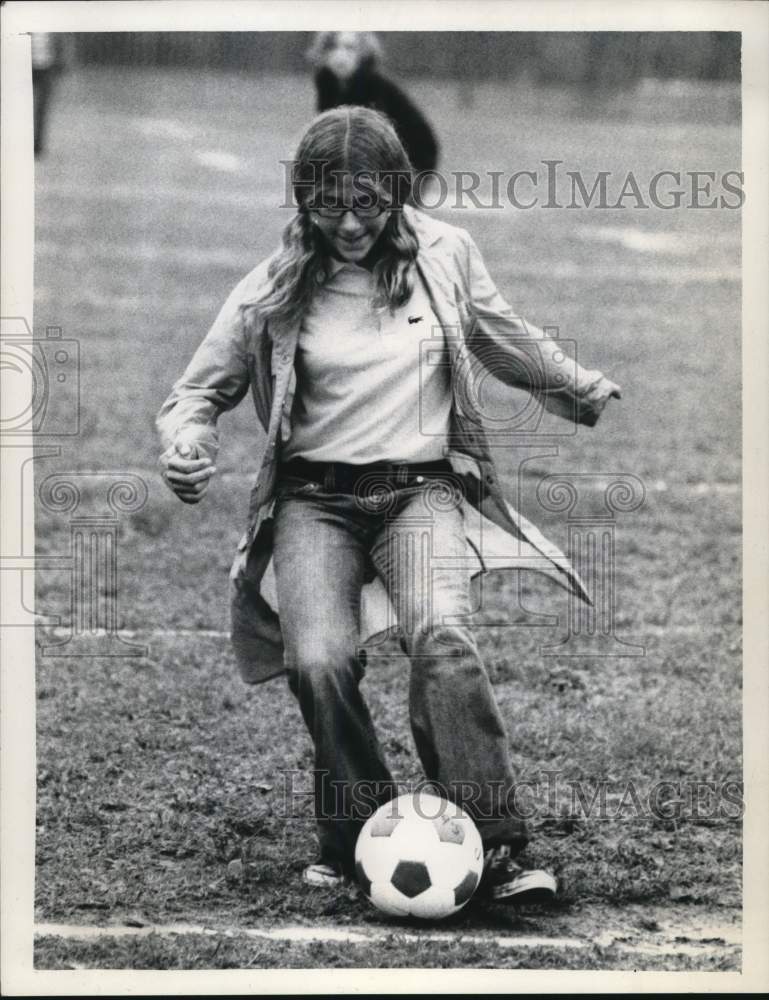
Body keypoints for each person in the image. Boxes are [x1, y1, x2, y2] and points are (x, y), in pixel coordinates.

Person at [157, 106, 621, 905]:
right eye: (328, 205)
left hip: (420, 492)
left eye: (368, 204)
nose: (348, 224)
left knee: (442, 637)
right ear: (304, 199)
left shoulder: (445, 254)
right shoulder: (275, 282)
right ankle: (357, 832)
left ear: (398, 193)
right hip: (315, 501)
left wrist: (578, 388)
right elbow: (199, 390)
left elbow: (498, 334)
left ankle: (499, 847)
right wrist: (186, 441)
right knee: (319, 661)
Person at [307, 32, 439, 174]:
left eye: (349, 48)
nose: (340, 55)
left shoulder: (371, 85)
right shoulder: (326, 82)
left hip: (414, 156)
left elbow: (372, 141)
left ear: (363, 54)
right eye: (332, 47)